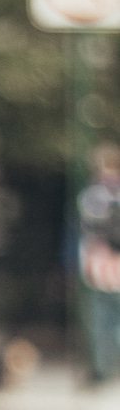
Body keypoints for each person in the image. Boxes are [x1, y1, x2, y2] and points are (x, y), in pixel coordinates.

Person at [78, 143, 120, 384]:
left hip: (99, 266)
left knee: (100, 318)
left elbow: (85, 232)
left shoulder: (93, 195)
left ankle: (103, 368)